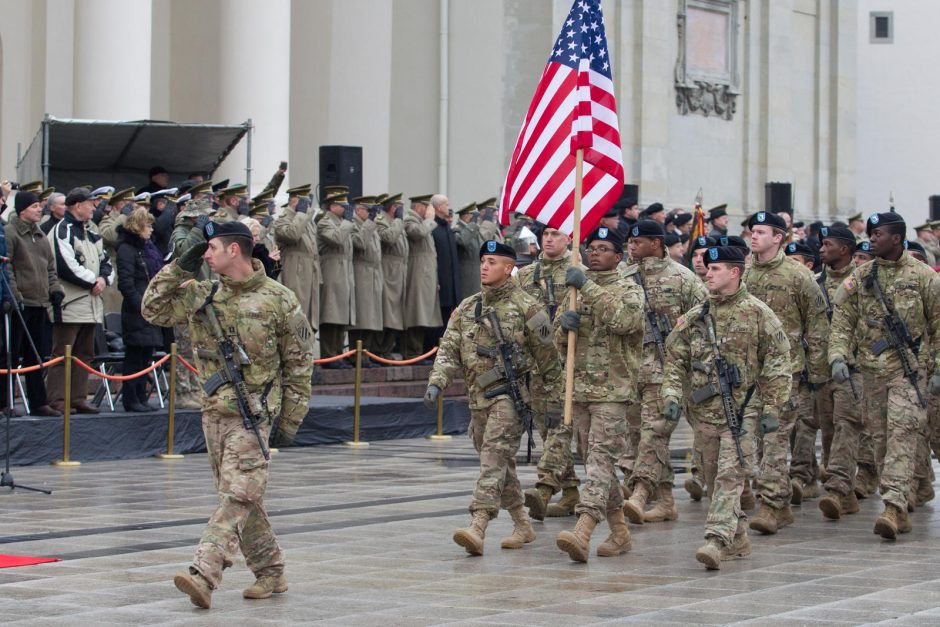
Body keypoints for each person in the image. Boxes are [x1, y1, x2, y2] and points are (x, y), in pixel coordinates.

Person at [141, 219, 314, 609]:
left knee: (237, 494)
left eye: (211, 248)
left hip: (253, 416)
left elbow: (300, 363)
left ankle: (205, 571)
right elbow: (151, 308)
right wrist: (179, 267)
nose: (207, 254)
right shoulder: (202, 295)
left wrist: (290, 420)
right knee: (240, 496)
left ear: (234, 250)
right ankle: (271, 569)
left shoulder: (279, 298)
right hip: (214, 414)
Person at [425, 240, 561, 556]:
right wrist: (438, 381)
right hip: (478, 398)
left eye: (492, 262)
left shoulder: (529, 308)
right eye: (483, 261)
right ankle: (522, 524)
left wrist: (551, 404)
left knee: (493, 459)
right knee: (500, 463)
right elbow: (449, 347)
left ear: (509, 268)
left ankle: (479, 524)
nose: (484, 267)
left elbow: (550, 361)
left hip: (509, 399)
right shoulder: (468, 306)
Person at [662, 245, 791, 569]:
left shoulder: (759, 313)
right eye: (707, 268)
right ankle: (738, 537)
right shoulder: (695, 317)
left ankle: (716, 539)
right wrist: (672, 396)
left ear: (735, 272)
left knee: (729, 477)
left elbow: (778, 362)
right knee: (709, 477)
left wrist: (772, 409)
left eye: (716, 268)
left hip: (743, 412)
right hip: (704, 413)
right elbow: (675, 360)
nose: (708, 273)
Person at [828, 212, 940, 540]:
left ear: (896, 239)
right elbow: (843, 319)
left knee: (903, 433)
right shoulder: (861, 277)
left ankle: (892, 505)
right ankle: (899, 504)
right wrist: (837, 355)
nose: (872, 238)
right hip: (871, 372)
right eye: (871, 233)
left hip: (911, 373)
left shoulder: (924, 277)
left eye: (879, 234)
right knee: (880, 438)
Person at [554, 226, 644, 562]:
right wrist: (564, 327)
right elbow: (559, 345)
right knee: (597, 466)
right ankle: (620, 532)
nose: (595, 253)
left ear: (618, 257)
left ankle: (584, 528)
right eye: (591, 247)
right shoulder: (576, 289)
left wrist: (587, 286)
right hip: (580, 391)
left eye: (603, 248)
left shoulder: (629, 290)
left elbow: (624, 321)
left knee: (600, 463)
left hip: (612, 391)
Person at [743, 211, 829, 535]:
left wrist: (817, 375)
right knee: (761, 442)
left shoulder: (799, 276)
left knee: (775, 437)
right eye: (753, 231)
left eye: (762, 232)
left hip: (786, 373)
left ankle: (770, 505)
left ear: (778, 237)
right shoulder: (744, 274)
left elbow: (818, 327)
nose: (754, 236)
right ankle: (779, 504)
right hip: (750, 373)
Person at [621, 220, 708, 525]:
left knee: (653, 432)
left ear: (656, 244)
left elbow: (704, 324)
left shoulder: (684, 279)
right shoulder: (623, 277)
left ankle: (641, 491)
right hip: (631, 371)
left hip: (667, 372)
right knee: (636, 437)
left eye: (638, 242)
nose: (631, 248)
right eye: (629, 243)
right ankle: (667, 499)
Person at [519, 226, 581, 520]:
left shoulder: (579, 271)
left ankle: (544, 487)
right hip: (537, 366)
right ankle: (570, 492)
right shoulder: (525, 275)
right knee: (547, 430)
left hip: (569, 366)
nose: (548, 238)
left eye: (556, 234)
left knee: (561, 428)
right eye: (545, 234)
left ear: (569, 237)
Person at [815, 225, 868, 519]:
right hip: (822, 369)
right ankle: (846, 496)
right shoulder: (815, 283)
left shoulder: (863, 282)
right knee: (830, 431)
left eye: (827, 244)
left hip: (855, 367)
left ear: (844, 249)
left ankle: (836, 488)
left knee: (848, 425)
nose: (821, 249)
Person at [47, 187, 115, 415]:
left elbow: (106, 261)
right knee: (62, 354)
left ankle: (77, 398)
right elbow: (65, 265)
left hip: (91, 304)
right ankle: (57, 399)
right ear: (77, 205)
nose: (94, 207)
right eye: (90, 203)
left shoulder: (91, 232)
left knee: (85, 355)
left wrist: (104, 279)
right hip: (70, 303)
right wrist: (93, 282)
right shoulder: (62, 230)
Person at [4, 191, 63, 416]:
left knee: (36, 354)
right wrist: (14, 294)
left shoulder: (39, 235)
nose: (40, 209)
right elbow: (7, 267)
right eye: (35, 206)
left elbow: (50, 267)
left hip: (39, 303)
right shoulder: (11, 233)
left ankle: (39, 401)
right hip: (20, 304)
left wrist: (55, 289)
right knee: (10, 355)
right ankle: (4, 402)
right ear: (22, 210)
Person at [115, 208, 166, 412]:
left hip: (149, 307)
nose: (151, 229)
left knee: (147, 355)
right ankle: (131, 398)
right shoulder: (126, 249)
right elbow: (126, 283)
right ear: (138, 226)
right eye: (148, 225)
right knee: (135, 355)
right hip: (136, 309)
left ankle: (142, 396)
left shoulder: (146, 248)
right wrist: (141, 306)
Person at [317, 189, 358, 367]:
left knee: (342, 316)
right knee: (331, 315)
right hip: (332, 271)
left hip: (344, 272)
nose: (345, 209)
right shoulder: (325, 222)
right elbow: (336, 239)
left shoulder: (342, 222)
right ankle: (329, 355)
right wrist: (348, 222)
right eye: (342, 205)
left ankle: (338, 355)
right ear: (333, 206)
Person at [273, 185, 320, 332]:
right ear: (295, 202)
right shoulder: (283, 220)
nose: (307, 205)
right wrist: (300, 213)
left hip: (310, 275)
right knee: (295, 316)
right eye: (304, 202)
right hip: (295, 273)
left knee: (309, 319)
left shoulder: (306, 220)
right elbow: (292, 234)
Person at [403, 194, 441, 360]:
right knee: (416, 312)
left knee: (424, 314)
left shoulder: (422, 223)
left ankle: (418, 351)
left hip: (427, 274)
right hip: (417, 272)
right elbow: (417, 233)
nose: (429, 211)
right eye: (427, 207)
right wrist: (430, 220)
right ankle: (412, 352)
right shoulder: (410, 220)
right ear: (418, 207)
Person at [347, 196, 384, 362]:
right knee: (361, 316)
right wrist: (370, 222)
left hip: (374, 273)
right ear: (358, 210)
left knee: (372, 317)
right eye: (368, 211)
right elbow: (359, 243)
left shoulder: (370, 225)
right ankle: (356, 353)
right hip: (361, 272)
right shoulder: (354, 224)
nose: (371, 214)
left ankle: (366, 353)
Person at [374, 194, 409, 359]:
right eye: (399, 206)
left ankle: (386, 350)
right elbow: (388, 237)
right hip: (388, 271)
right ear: (393, 207)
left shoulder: (397, 222)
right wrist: (398, 221)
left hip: (399, 271)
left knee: (397, 314)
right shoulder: (381, 220)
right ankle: (379, 349)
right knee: (387, 313)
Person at [429, 194, 460, 348]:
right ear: (438, 207)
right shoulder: (433, 229)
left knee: (449, 316)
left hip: (451, 281)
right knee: (439, 318)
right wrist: (436, 280)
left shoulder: (447, 228)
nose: (448, 207)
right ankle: (433, 348)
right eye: (446, 204)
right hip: (441, 282)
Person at [453, 202, 483, 299]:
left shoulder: (472, 229)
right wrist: (472, 225)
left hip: (475, 276)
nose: (476, 219)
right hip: (466, 278)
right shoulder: (457, 229)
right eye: (473, 216)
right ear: (466, 216)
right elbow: (463, 241)